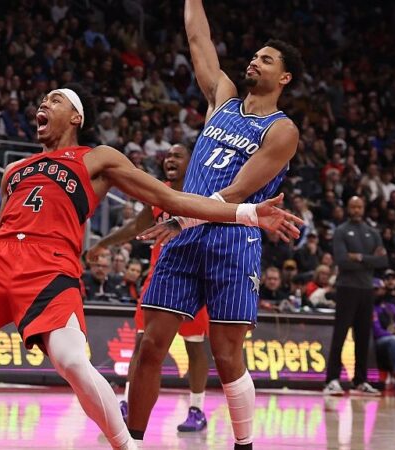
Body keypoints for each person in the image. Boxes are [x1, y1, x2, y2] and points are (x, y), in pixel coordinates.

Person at [0, 84, 301, 450]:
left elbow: (171, 200)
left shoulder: (97, 157)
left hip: (50, 264)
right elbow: (1, 230)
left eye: (54, 99)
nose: (42, 104)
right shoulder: (14, 170)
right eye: (42, 100)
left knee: (72, 362)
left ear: (76, 115)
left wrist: (245, 212)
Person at [127, 2, 304, 448]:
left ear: (283, 78)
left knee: (226, 355)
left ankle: (243, 443)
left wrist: (181, 218)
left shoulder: (282, 130)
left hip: (233, 237)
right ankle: (131, 439)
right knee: (151, 345)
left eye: (266, 59)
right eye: (255, 55)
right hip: (185, 239)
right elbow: (198, 39)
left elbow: (239, 192)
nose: (254, 61)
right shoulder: (222, 100)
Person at [88, 143, 210, 432]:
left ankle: (197, 409)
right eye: (167, 156)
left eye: (177, 156)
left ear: (191, 162)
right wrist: (103, 243)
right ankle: (130, 401)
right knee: (141, 344)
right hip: (159, 278)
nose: (170, 159)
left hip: (194, 278)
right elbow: (135, 227)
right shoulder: (158, 193)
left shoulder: (204, 192)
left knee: (194, 347)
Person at [323, 197, 387, 396]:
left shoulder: (372, 232)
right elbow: (342, 261)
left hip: (367, 289)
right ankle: (332, 380)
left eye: (359, 206)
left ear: (364, 208)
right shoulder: (341, 231)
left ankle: (360, 380)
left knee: (363, 336)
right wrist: (369, 260)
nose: (357, 209)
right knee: (340, 335)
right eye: (353, 206)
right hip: (346, 288)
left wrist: (358, 257)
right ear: (348, 209)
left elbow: (383, 261)